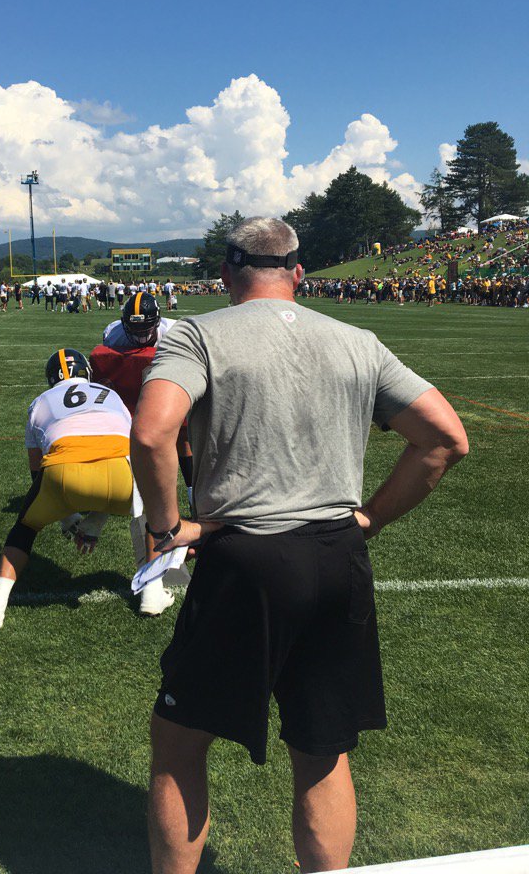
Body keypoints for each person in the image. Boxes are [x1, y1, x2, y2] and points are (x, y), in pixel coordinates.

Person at [130, 216, 469, 874]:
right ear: (299, 273)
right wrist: (370, 518)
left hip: (247, 557)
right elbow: (445, 439)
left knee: (179, 742)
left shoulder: (198, 333)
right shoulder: (358, 341)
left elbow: (150, 434)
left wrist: (167, 529)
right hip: (338, 554)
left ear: (226, 273)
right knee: (322, 749)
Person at [0, 349, 138, 630]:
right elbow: (129, 450)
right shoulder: (110, 394)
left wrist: (66, 515)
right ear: (86, 372)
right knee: (151, 515)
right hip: (123, 474)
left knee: (25, 527)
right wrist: (97, 518)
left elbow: (36, 470)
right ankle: (153, 592)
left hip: (63, 473)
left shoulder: (40, 402)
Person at [90, 292, 192, 616]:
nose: (139, 337)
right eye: (133, 331)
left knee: (180, 441)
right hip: (136, 408)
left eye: (145, 330)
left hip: (165, 395)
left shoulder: (175, 333)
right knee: (150, 490)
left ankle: (191, 493)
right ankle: (154, 581)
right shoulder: (113, 334)